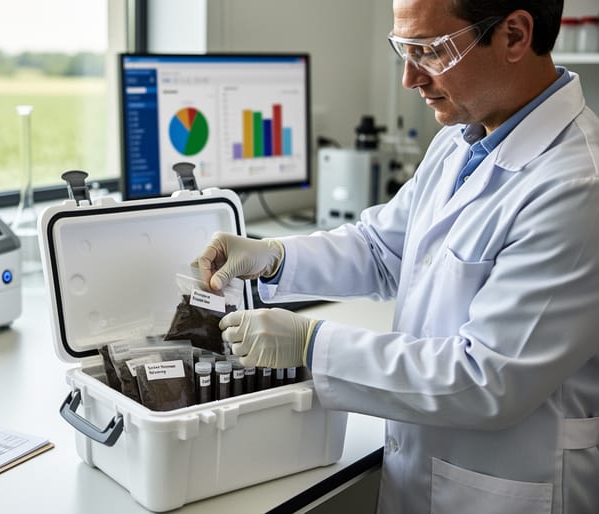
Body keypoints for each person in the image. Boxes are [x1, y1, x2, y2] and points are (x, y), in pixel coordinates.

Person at [196, 1, 599, 513]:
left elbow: (486, 379)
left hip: (509, 489)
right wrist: (273, 257)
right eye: (403, 49)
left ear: (515, 36)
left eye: (429, 51)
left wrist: (312, 343)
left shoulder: (578, 186)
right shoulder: (460, 140)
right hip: (426, 472)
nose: (409, 78)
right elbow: (382, 249)